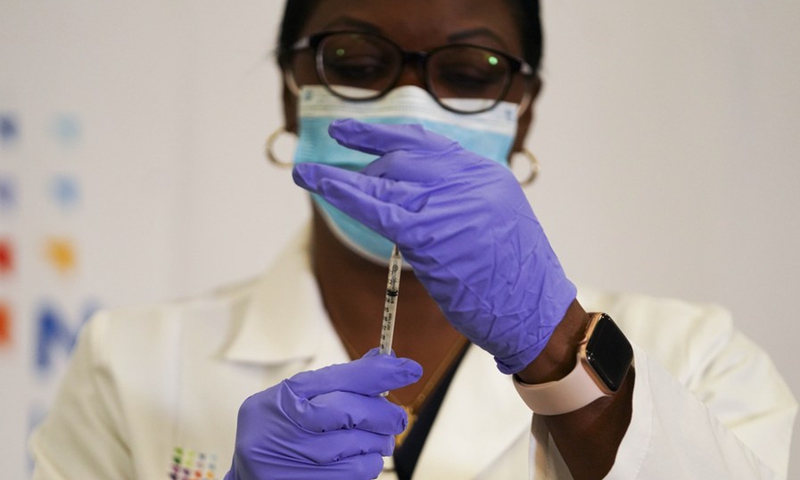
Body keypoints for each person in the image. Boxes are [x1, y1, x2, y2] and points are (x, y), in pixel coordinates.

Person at [29, 0, 797, 479]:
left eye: (469, 71)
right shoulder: (129, 361)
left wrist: (560, 348)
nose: (408, 101)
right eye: (356, 63)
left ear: (522, 111)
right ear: (291, 94)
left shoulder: (700, 356)